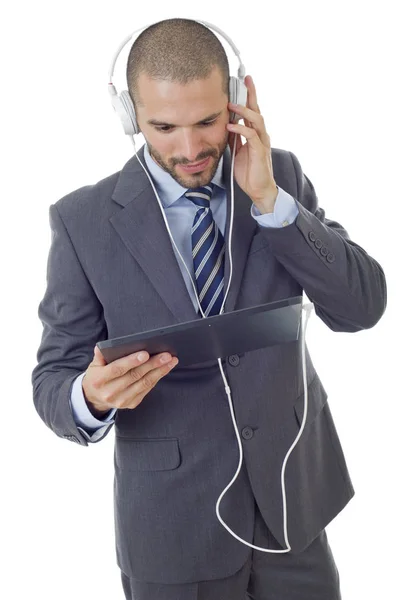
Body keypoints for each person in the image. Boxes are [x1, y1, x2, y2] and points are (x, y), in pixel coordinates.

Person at [31, 18, 387, 600]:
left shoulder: (281, 178)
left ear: (238, 102)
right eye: (163, 127)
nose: (190, 149)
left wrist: (271, 202)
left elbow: (361, 308)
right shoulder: (82, 222)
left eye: (207, 121)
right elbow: (52, 377)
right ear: (129, 118)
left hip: (291, 512)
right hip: (174, 530)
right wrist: (91, 396)